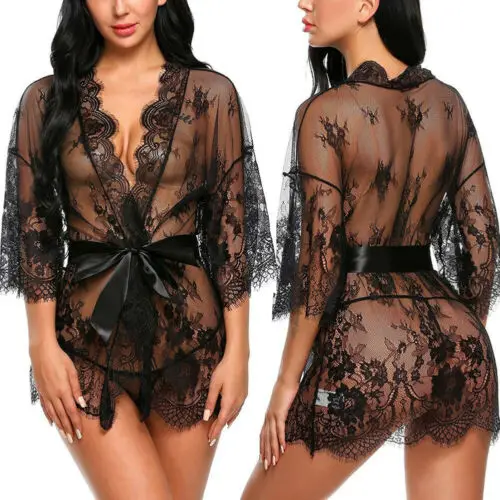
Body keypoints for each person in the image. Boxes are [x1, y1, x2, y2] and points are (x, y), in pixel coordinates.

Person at [0, 1, 276, 498]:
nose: (120, 8)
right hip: (82, 347)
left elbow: (230, 235)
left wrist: (240, 353)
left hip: (191, 347)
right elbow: (34, 232)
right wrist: (40, 345)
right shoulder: (45, 99)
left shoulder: (212, 96)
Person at [242, 1, 500, 499]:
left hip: (367, 348)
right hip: (460, 347)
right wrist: (458, 347)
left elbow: (319, 262)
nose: (304, 2)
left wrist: (286, 384)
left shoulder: (325, 113)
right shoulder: (449, 103)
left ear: (367, 5)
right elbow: (483, 240)